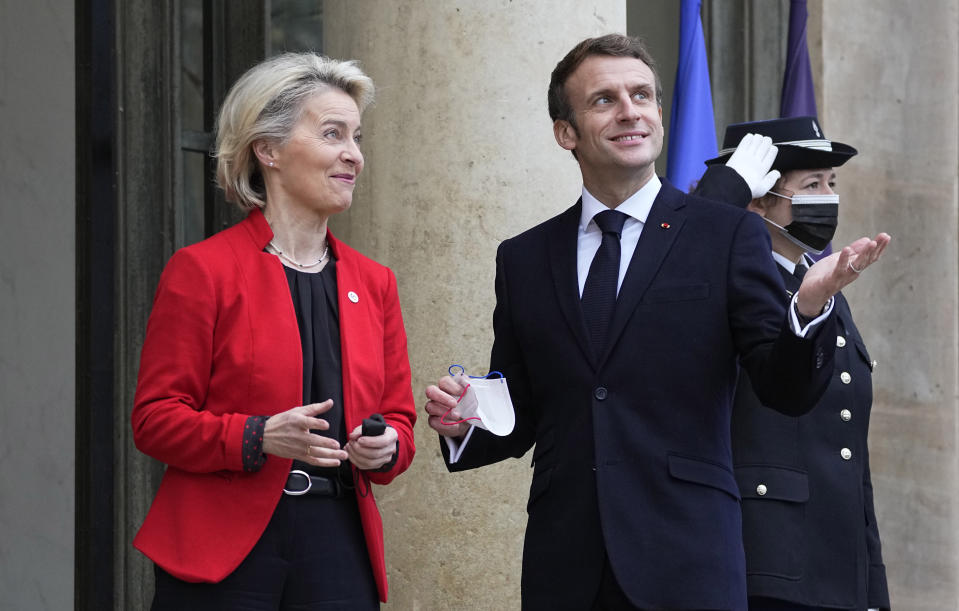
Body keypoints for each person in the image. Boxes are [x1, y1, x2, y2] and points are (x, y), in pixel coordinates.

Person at [424, 34, 889, 610]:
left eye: (641, 95)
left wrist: (808, 311)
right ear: (565, 132)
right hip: (565, 566)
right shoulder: (523, 257)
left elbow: (783, 387)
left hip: (687, 560)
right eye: (603, 100)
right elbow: (524, 404)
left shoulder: (724, 234)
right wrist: (465, 418)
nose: (629, 111)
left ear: (660, 117)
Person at [131, 52, 417, 610]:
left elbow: (400, 420)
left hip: (338, 543)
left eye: (357, 137)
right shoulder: (203, 270)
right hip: (225, 548)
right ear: (268, 149)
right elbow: (154, 419)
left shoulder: (374, 282)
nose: (353, 155)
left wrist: (385, 447)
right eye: (333, 134)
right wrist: (256, 436)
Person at [703, 117, 890, 611]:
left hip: (835, 568)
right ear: (758, 200)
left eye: (831, 184)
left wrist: (870, 582)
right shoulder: (718, 284)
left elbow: (849, 454)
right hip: (762, 563)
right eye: (810, 185)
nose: (827, 198)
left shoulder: (822, 284)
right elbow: (675, 247)